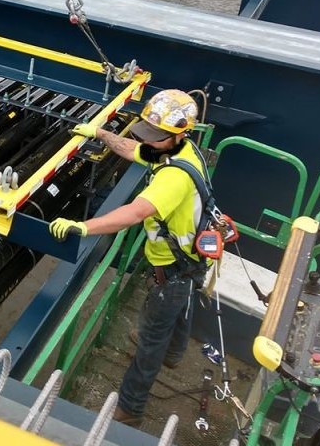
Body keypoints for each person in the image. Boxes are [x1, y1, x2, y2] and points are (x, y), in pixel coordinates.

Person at [49, 89, 209, 426]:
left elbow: (135, 213)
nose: (150, 140)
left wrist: (83, 226)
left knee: (150, 341)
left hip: (172, 269)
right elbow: (135, 149)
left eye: (157, 135)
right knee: (180, 310)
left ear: (181, 133)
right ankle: (175, 355)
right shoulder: (179, 151)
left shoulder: (174, 177)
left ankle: (129, 410)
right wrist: (102, 134)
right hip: (190, 263)